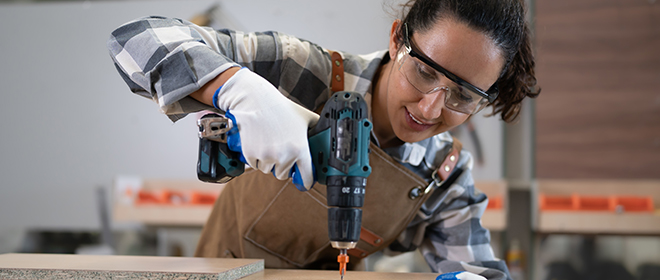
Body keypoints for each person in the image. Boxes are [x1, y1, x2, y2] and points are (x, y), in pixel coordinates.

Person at [107, 0, 539, 279]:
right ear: (396, 39)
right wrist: (235, 86)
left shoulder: (442, 172)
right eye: (424, 71)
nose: (429, 109)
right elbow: (134, 39)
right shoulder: (304, 71)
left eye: (463, 94)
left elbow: (477, 268)